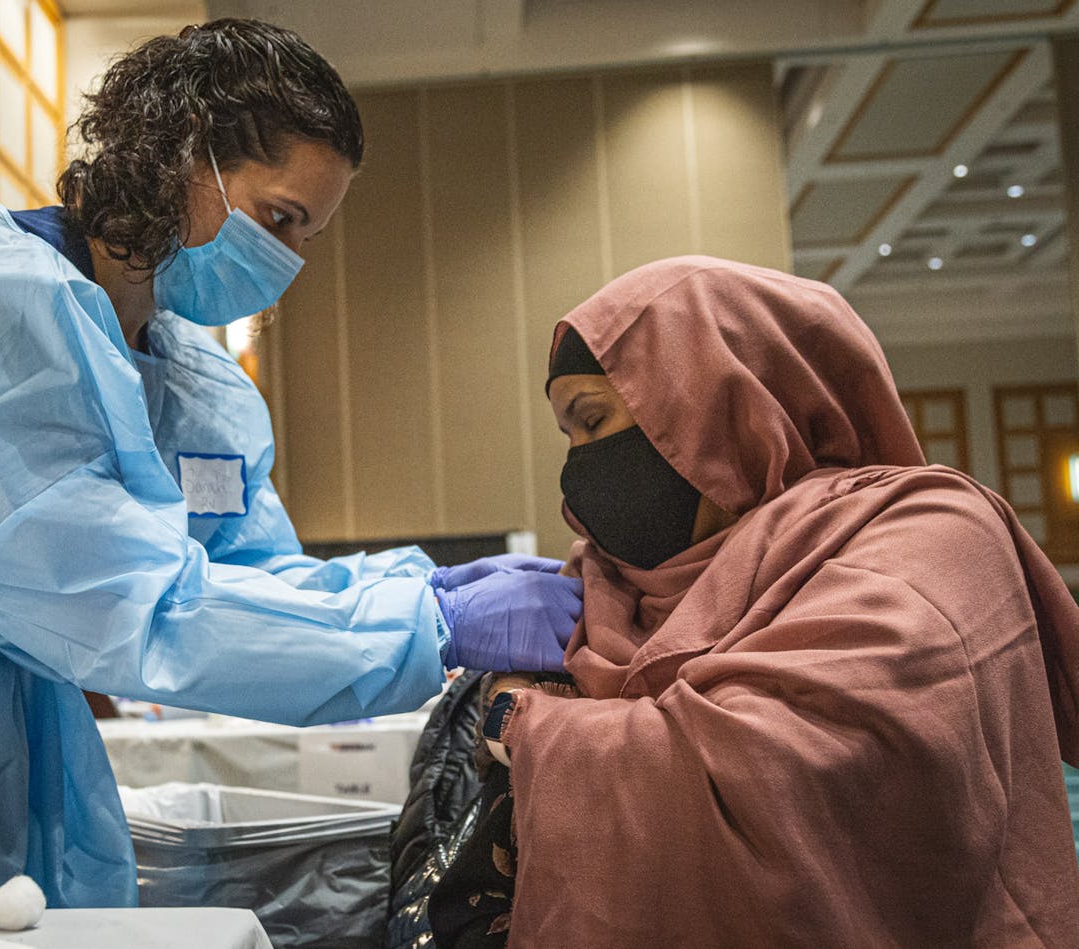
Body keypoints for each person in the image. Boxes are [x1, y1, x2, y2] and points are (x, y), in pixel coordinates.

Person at [0, 19, 580, 913]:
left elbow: (244, 579)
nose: (291, 260)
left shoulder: (197, 379)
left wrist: (420, 583)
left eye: (309, 236)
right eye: (279, 217)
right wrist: (429, 622)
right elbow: (130, 599)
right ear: (182, 149)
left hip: (8, 732)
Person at [454, 256, 1079, 945]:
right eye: (568, 438)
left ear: (720, 399)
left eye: (593, 422)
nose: (577, 475)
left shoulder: (926, 538)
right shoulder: (607, 586)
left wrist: (520, 723)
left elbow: (774, 774)